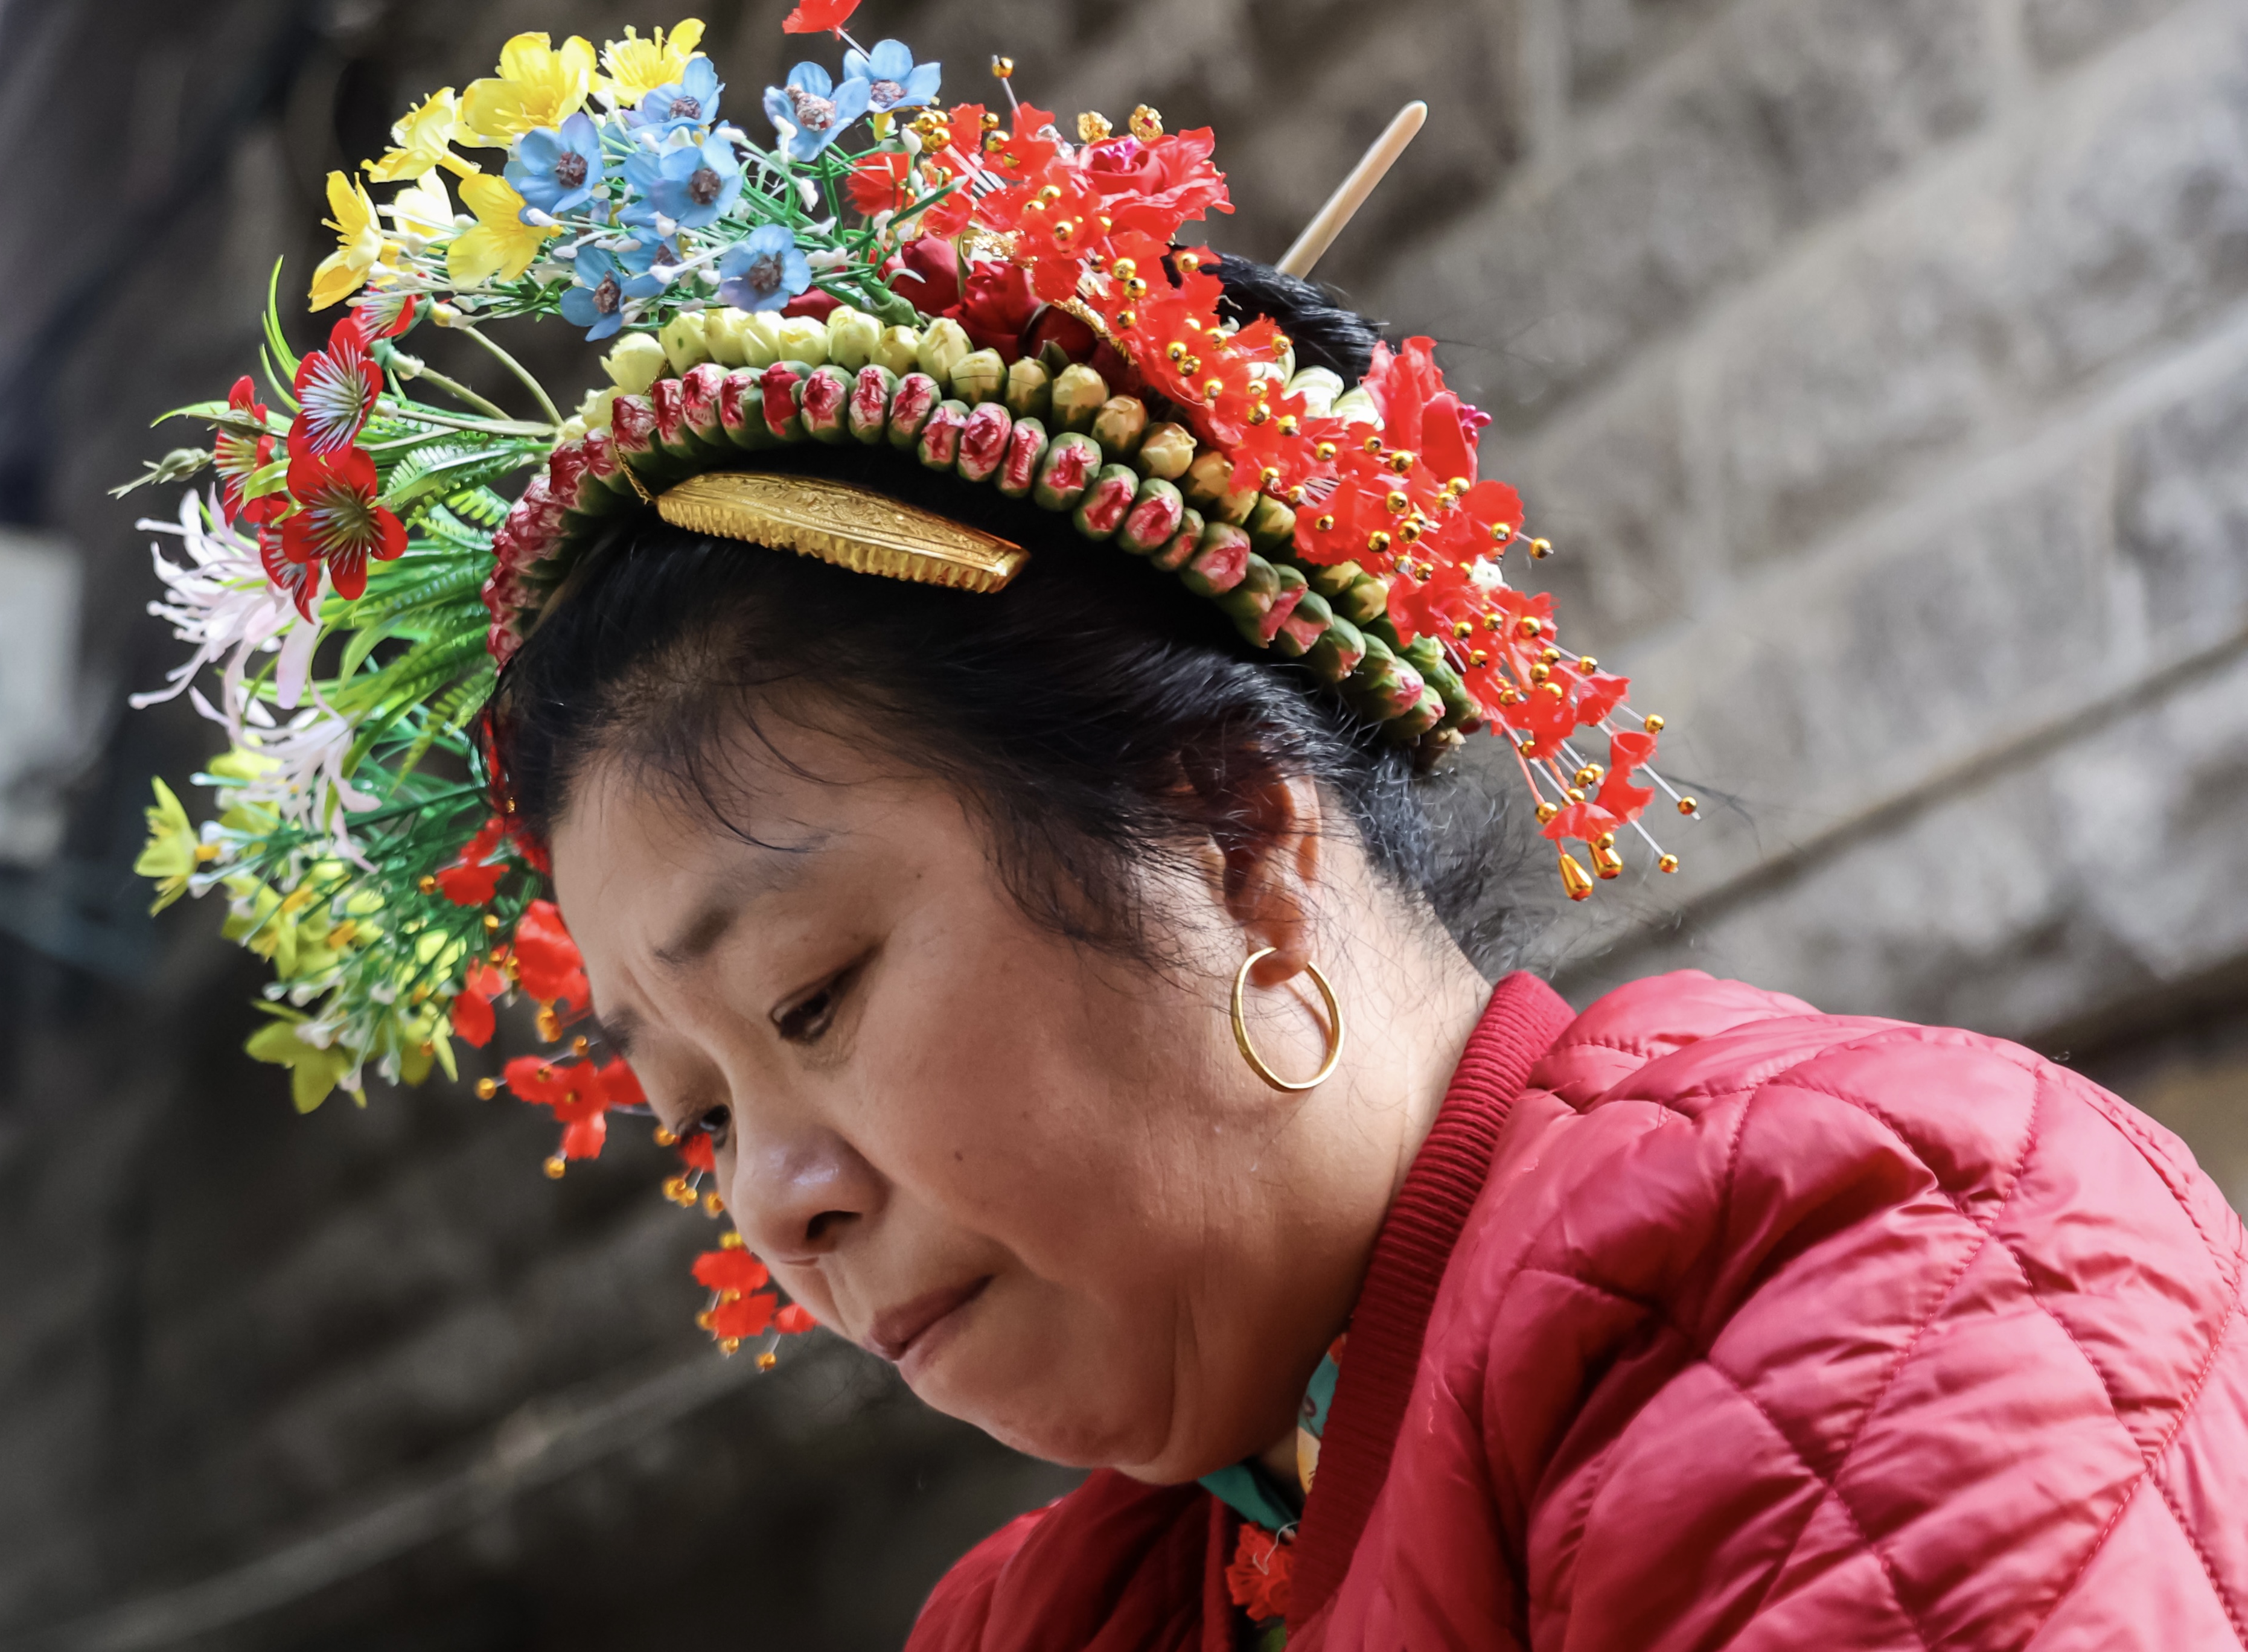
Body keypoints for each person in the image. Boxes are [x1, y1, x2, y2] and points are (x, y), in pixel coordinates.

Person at [123, 18, 2246, 1647]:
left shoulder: (1850, 1274)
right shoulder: (1053, 1613)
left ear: (1234, 841)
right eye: (696, 1121)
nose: (778, 1201)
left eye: (813, 995)